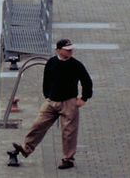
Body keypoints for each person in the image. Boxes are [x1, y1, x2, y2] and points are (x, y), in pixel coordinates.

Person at [9, 39, 93, 170]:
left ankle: (68, 159)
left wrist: (84, 98)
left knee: (69, 132)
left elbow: (86, 81)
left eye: (71, 49)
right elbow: (46, 80)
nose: (70, 51)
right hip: (52, 101)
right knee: (38, 124)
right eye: (67, 49)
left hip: (69, 102)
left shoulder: (76, 65)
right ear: (58, 50)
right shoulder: (51, 63)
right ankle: (26, 149)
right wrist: (47, 95)